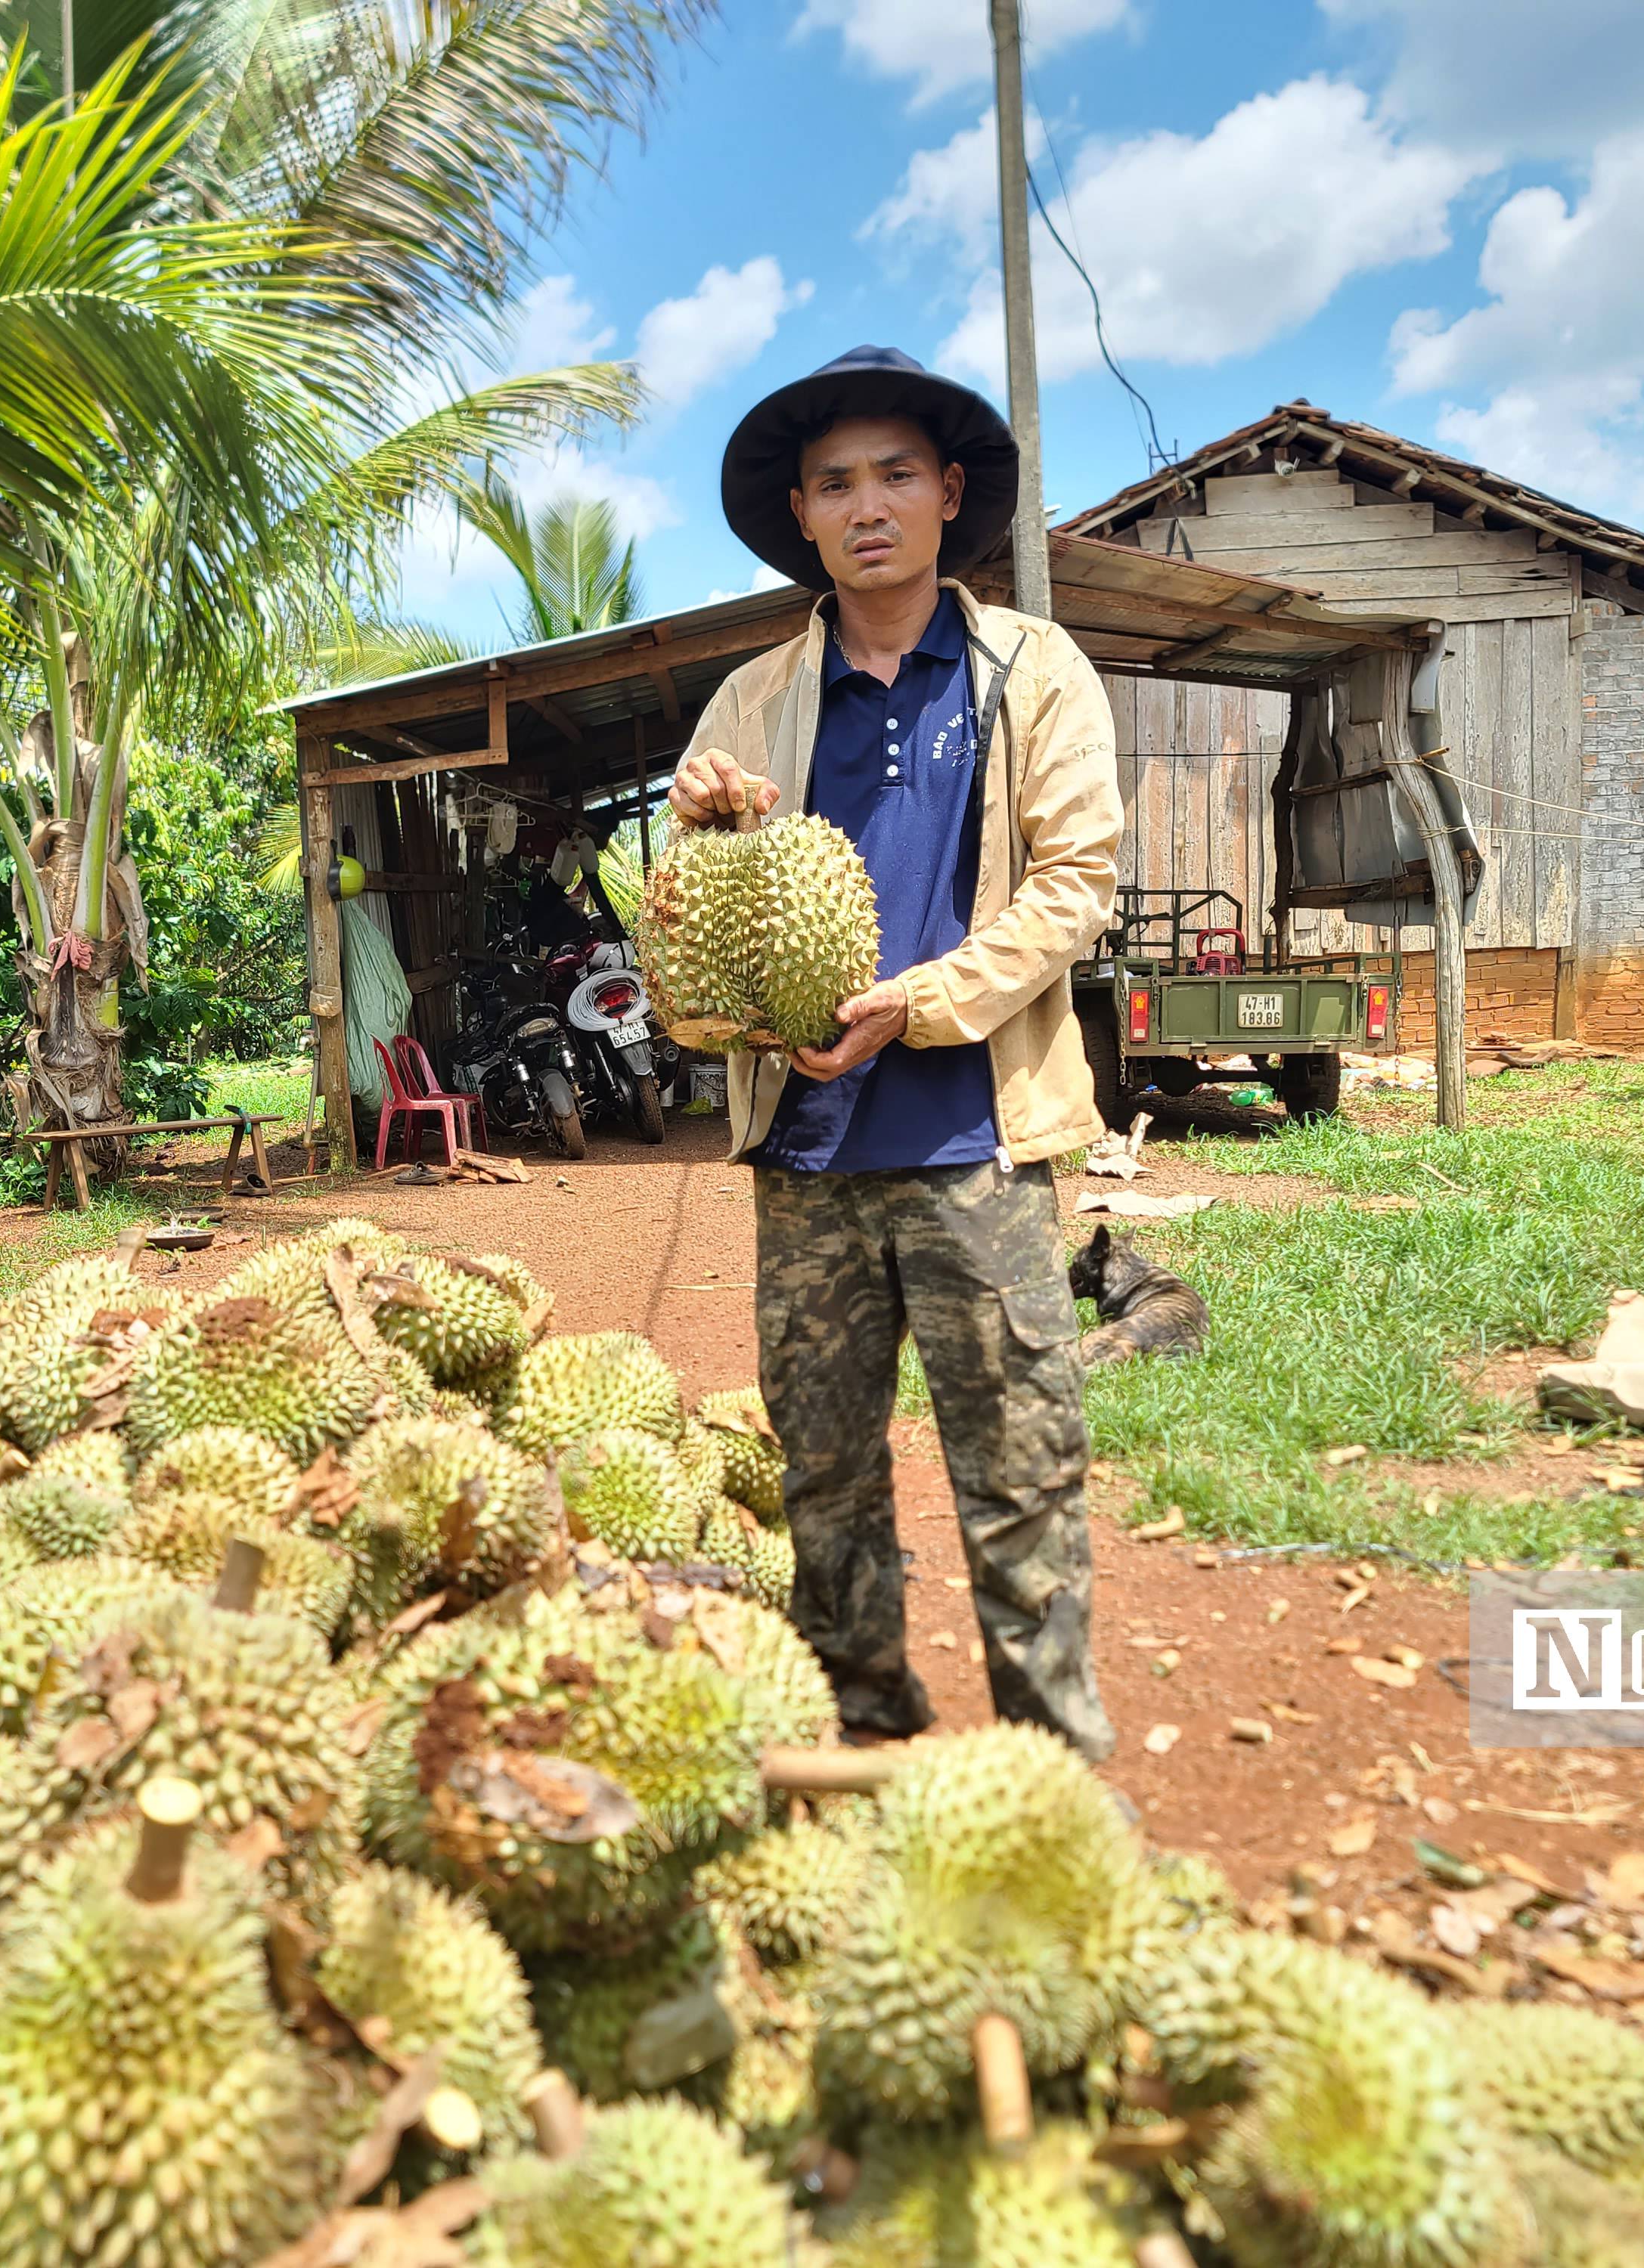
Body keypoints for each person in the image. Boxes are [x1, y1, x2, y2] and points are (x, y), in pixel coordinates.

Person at [667, 345, 1121, 1757]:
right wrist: (701, 847)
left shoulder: (1030, 671)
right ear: (800, 515)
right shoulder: (751, 703)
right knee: (826, 1477)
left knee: (1021, 1468)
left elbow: (1076, 883)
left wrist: (915, 1003)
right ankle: (863, 1730)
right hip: (807, 1156)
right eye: (836, 483)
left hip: (978, 1146)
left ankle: (1048, 1770)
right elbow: (685, 958)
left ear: (949, 496)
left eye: (896, 476)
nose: (868, 506)